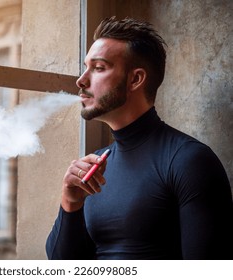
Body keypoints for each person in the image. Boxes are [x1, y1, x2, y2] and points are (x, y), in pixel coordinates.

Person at [46, 17, 233, 260]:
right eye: (85, 67)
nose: (81, 80)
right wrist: (70, 202)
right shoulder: (96, 166)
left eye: (99, 68)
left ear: (135, 79)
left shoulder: (190, 162)